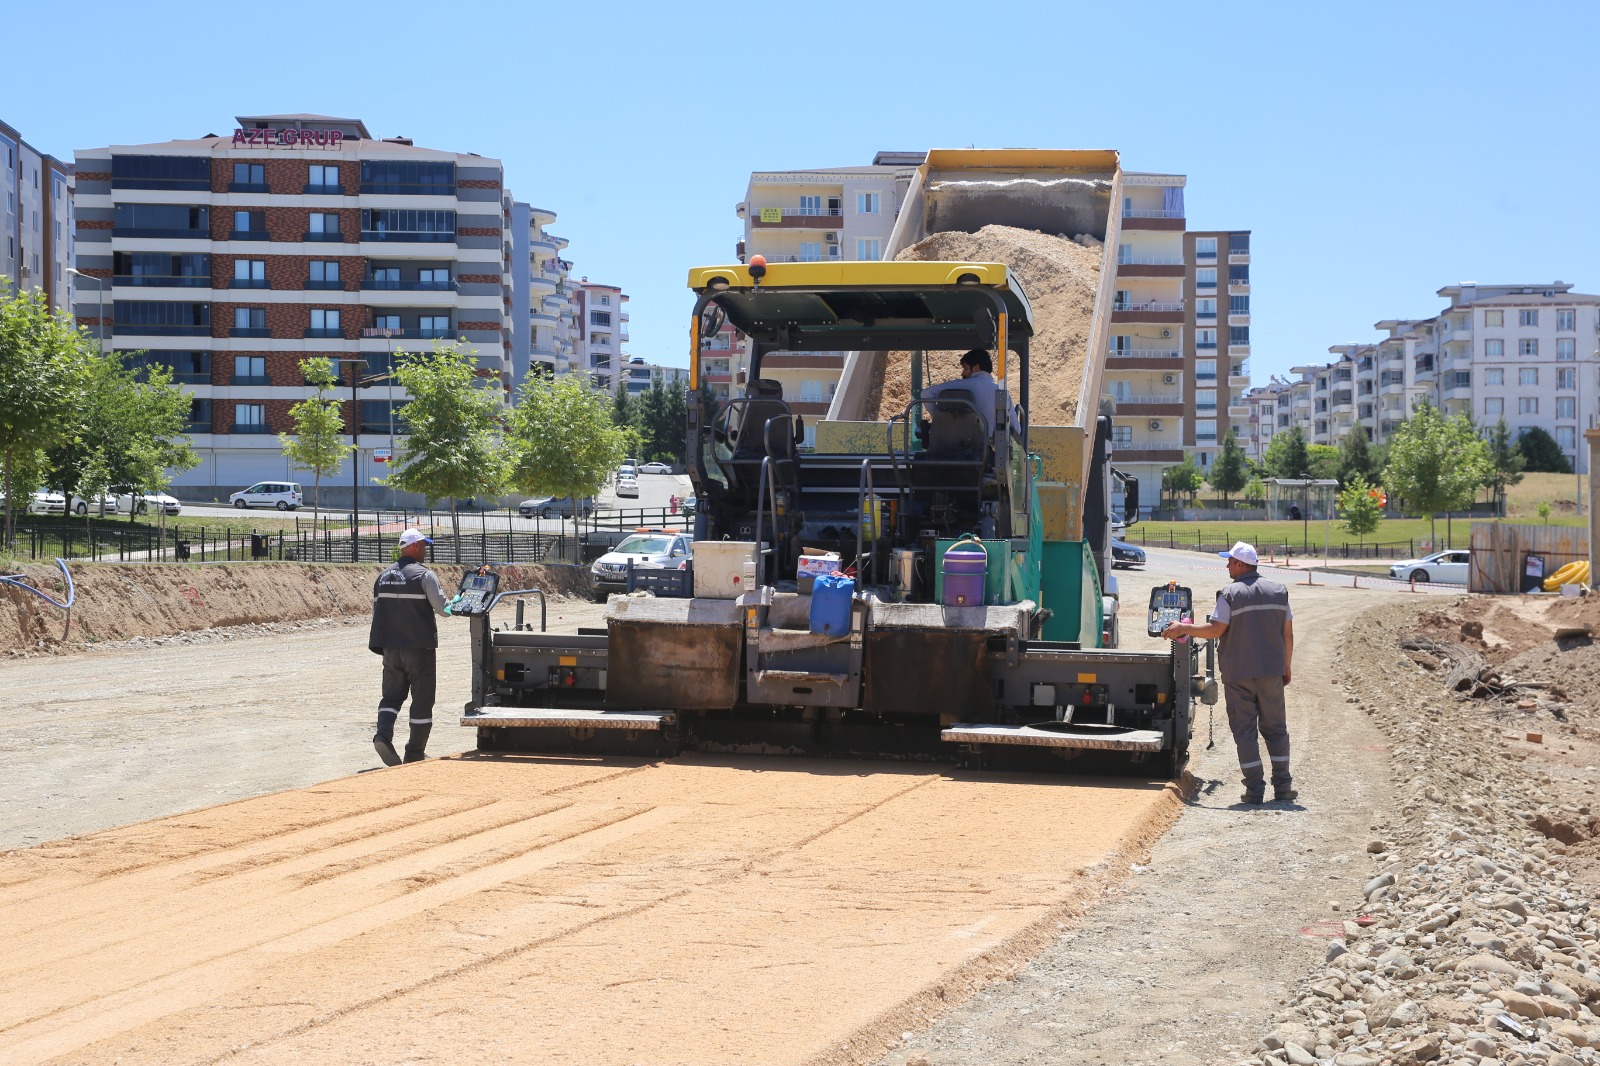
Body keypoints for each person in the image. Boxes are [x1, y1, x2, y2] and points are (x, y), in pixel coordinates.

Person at [1160, 541, 1296, 805]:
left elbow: (1215, 630)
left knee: (1245, 732)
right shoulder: (1279, 591)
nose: (1227, 566)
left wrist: (1183, 628)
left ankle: (1255, 790)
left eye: (1230, 561)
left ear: (1240, 564)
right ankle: (1283, 787)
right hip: (1271, 673)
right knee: (1277, 729)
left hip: (1239, 674)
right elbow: (1287, 633)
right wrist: (1286, 666)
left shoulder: (1230, 593)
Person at [368, 528, 452, 766]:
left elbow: (378, 613)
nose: (426, 549)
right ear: (413, 547)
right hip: (419, 649)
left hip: (391, 649)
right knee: (422, 700)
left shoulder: (382, 577)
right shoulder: (424, 575)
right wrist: (456, 603)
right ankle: (414, 753)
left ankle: (383, 736)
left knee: (391, 697)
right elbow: (443, 610)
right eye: (424, 545)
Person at [920, 349, 1022, 438]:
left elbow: (926, 393)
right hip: (984, 448)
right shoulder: (1001, 393)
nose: (962, 373)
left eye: (965, 368)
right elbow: (1016, 429)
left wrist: (939, 420)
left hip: (951, 446)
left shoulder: (960, 385)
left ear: (976, 368)